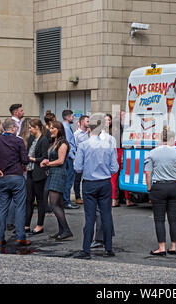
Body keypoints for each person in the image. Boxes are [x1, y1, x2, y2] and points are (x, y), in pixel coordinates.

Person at [72, 120, 119, 259]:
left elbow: (78, 167)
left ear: (88, 130)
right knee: (106, 216)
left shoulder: (83, 145)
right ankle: (108, 249)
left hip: (89, 183)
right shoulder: (108, 145)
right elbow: (114, 168)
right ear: (100, 131)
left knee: (89, 217)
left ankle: (86, 250)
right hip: (104, 182)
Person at [0, 118, 31, 247]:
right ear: (13, 128)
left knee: (2, 208)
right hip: (17, 177)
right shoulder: (19, 141)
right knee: (20, 207)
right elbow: (25, 160)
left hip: (2, 177)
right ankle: (21, 237)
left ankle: (0, 238)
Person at [144, 126, 176, 256]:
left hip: (158, 188)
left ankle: (161, 248)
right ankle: (173, 247)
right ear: (171, 139)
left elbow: (148, 172)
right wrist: (174, 171)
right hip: (174, 187)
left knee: (159, 219)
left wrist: (149, 188)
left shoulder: (152, 153)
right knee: (174, 219)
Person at [40, 120, 74, 241]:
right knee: (58, 204)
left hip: (58, 174)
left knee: (53, 204)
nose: (50, 130)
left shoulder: (63, 143)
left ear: (59, 130)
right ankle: (62, 231)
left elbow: (60, 160)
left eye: (53, 128)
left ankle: (67, 230)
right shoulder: (54, 142)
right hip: (53, 173)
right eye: (50, 128)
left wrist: (48, 163)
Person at [25, 119, 49, 235]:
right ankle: (26, 224)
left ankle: (40, 225)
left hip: (39, 173)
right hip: (29, 172)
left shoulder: (43, 140)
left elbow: (44, 158)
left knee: (40, 200)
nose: (29, 130)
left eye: (31, 127)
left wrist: (31, 159)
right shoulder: (31, 139)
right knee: (28, 199)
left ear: (37, 128)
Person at [114, 110, 136, 207]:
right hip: (122, 152)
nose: (124, 117)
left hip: (117, 152)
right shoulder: (126, 128)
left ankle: (116, 200)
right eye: (122, 115)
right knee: (123, 175)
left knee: (116, 177)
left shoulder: (115, 129)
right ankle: (126, 199)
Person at [61, 110, 80, 209]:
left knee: (67, 180)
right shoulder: (66, 128)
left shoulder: (66, 127)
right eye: (72, 116)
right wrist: (73, 157)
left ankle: (65, 200)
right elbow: (68, 144)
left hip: (68, 156)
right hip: (68, 157)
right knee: (68, 180)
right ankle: (66, 201)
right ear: (67, 117)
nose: (73, 118)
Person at [73, 115, 90, 204]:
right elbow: (74, 147)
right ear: (82, 122)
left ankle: (86, 196)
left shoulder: (89, 133)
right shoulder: (76, 134)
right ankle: (77, 197)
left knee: (86, 179)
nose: (89, 123)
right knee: (77, 179)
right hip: (79, 159)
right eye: (87, 121)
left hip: (88, 160)